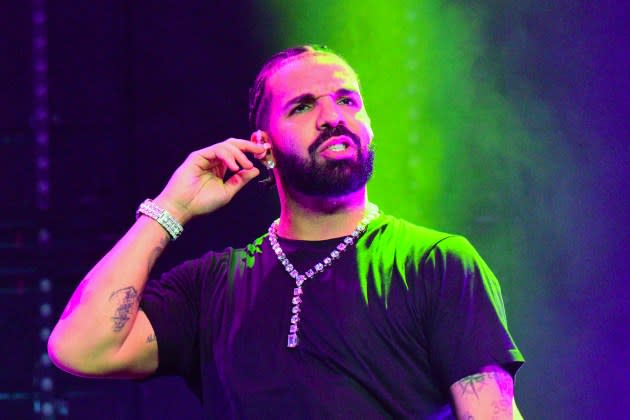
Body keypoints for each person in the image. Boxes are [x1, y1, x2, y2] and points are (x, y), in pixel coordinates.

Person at [48, 44, 525, 419]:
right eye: (302, 106)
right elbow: (80, 348)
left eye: (347, 100)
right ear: (264, 147)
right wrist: (170, 209)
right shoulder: (213, 286)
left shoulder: (436, 262)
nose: (332, 116)